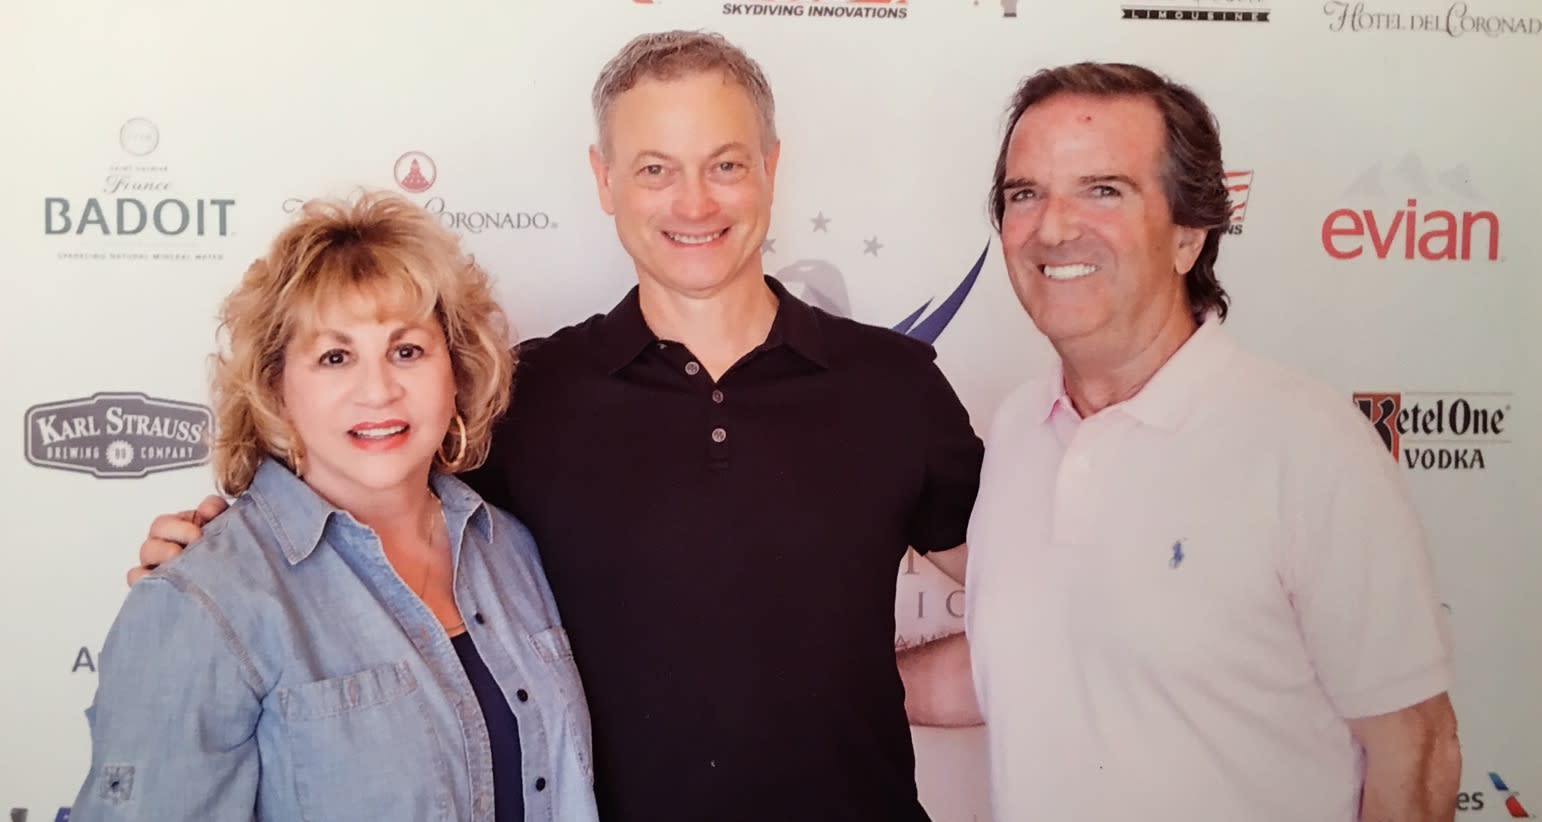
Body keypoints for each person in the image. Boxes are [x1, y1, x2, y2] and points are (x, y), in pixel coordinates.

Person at [131, 31, 983, 822]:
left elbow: (1029, 597)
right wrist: (209, 562)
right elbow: (364, 523)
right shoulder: (527, 396)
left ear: (770, 166)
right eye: (654, 168)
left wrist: (875, 684)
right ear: (604, 179)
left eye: (725, 164)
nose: (693, 201)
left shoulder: (895, 386)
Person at [904, 62, 1462, 821]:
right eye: (1024, 193)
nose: (1054, 227)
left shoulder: (1307, 445)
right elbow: (1030, 662)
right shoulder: (1017, 428)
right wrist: (793, 682)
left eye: (1104, 190)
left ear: (1189, 235)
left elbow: (1416, 752)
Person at [78, 191, 599, 821]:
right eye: (335, 357)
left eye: (406, 351)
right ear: (276, 386)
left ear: (455, 369)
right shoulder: (204, 600)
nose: (378, 390)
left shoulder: (509, 547)